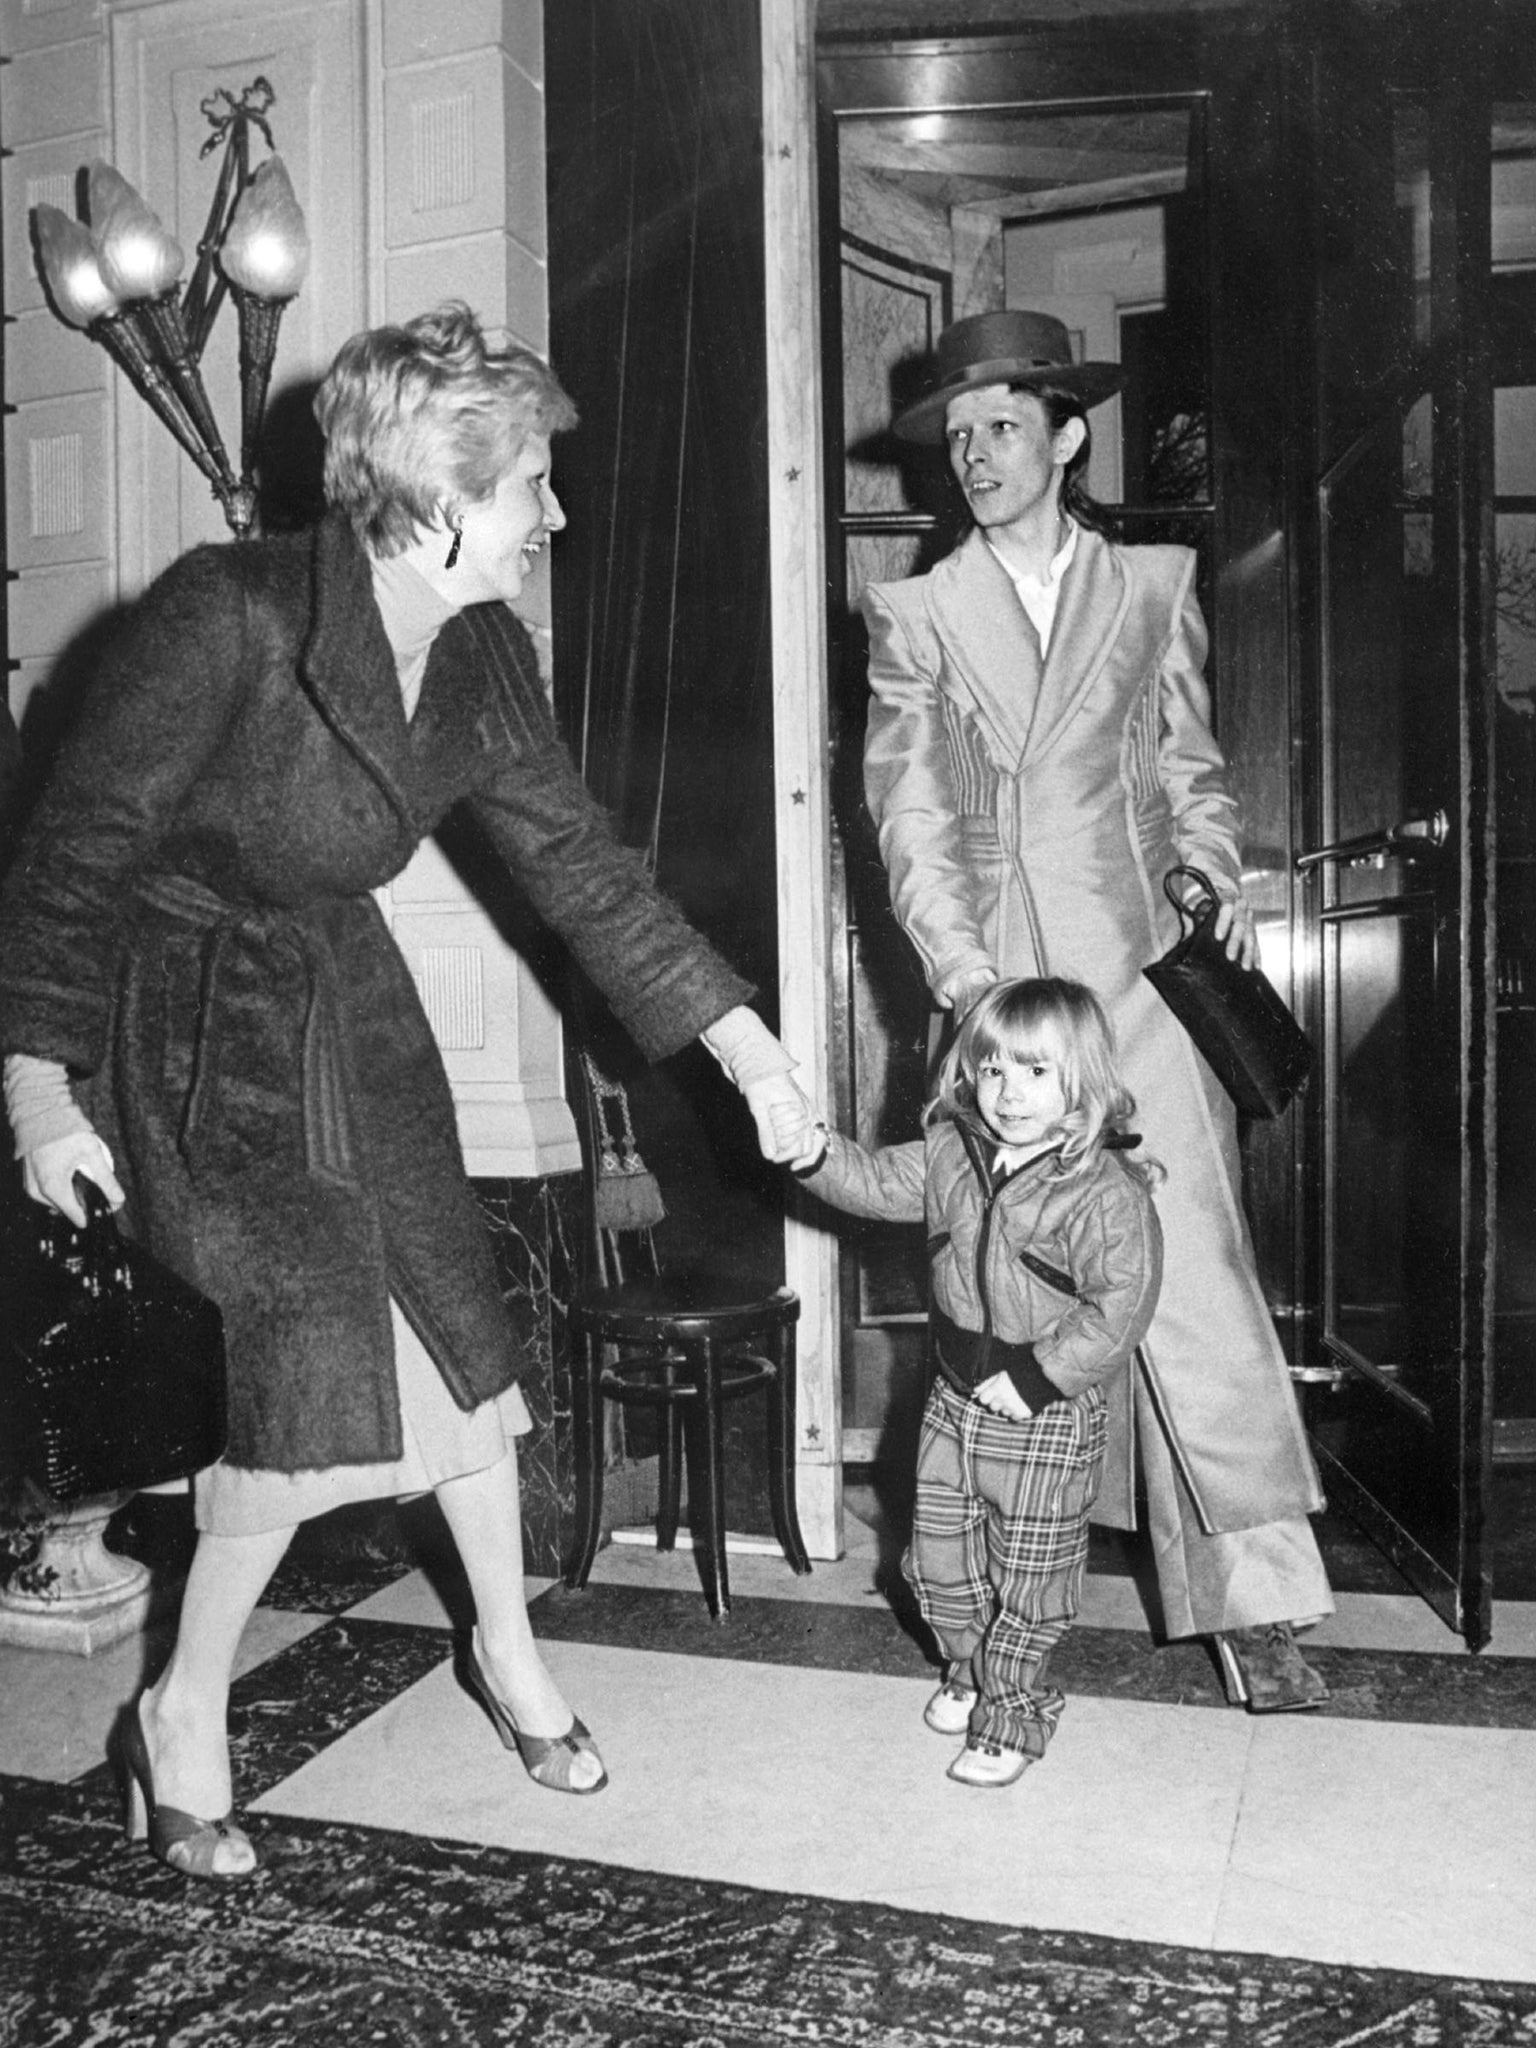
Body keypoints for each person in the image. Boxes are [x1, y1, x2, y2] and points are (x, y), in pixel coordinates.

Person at [0, 301, 812, 1878]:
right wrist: (39, 1090)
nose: (555, 518)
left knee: (458, 1336)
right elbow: (74, 852)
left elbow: (583, 868)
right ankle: (180, 1711)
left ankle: (502, 1651)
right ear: (442, 494)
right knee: (300, 1388)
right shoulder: (227, 613)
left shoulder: (486, 652)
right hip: (183, 1025)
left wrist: (746, 1045)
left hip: (346, 1010)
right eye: (534, 490)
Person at [859, 307, 1333, 1713]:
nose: (977, 455)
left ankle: (1258, 1606)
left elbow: (1187, 761)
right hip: (1003, 1003)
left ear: (1068, 436)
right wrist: (964, 983)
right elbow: (908, 814)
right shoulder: (917, 613)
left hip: (1138, 988)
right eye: (958, 437)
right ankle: (992, 1614)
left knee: (1193, 1281)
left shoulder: (1152, 586)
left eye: (1002, 427)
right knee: (1007, 1295)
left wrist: (1208, 861)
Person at [784, 977, 1161, 1786]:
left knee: (1031, 1573)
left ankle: (1013, 1714)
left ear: (1084, 1081)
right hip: (954, 1399)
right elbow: (878, 1181)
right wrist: (813, 1153)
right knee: (936, 1561)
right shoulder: (955, 1152)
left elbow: (1122, 1305)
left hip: (1044, 1412)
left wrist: (1039, 1376)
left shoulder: (1102, 1192)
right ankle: (968, 1669)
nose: (1010, 1094)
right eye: (993, 1071)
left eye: (1036, 1073)